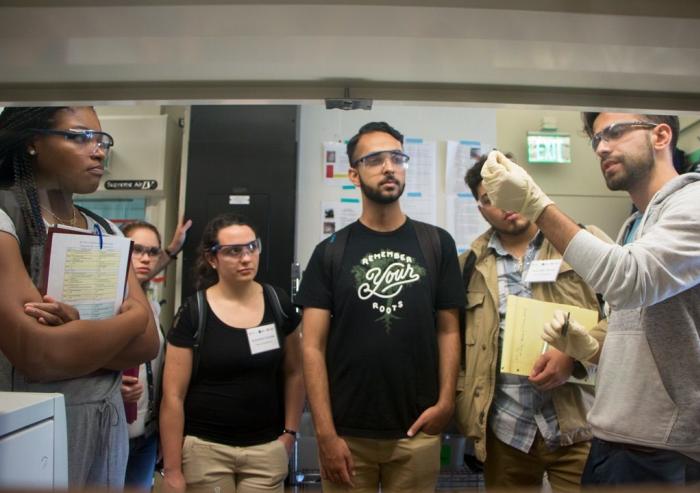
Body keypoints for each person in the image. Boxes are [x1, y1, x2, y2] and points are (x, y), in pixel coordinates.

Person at [480, 113, 700, 485]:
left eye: (615, 132)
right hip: (613, 441)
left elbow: (627, 279)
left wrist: (537, 204)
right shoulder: (635, 224)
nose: (601, 147)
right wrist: (590, 350)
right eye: (596, 138)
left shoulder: (692, 203)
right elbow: (641, 329)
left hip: (663, 450)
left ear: (661, 135)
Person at [296, 122, 465, 493]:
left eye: (396, 157)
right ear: (354, 175)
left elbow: (449, 329)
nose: (389, 167)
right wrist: (324, 433)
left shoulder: (437, 244)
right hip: (347, 435)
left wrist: (445, 403)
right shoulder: (330, 252)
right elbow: (311, 346)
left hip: (417, 430)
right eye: (374, 160)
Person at [0, 106, 158, 488]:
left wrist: (77, 333)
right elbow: (39, 356)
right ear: (34, 141)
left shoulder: (103, 229)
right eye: (78, 136)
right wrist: (131, 320)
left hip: (107, 423)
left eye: (102, 140)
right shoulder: (6, 215)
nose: (99, 151)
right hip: (32, 424)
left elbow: (148, 344)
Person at [455, 154, 608, 492]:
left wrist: (573, 357)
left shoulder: (582, 241)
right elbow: (456, 346)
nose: (503, 204)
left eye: (507, 190)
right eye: (488, 198)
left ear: (526, 187)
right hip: (505, 429)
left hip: (578, 424)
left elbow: (628, 314)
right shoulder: (467, 266)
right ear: (480, 209)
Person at [160, 213, 304, 493]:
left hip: (265, 450)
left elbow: (295, 372)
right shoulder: (194, 311)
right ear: (212, 258)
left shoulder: (279, 303)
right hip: (205, 451)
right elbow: (173, 396)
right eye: (233, 251)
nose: (246, 258)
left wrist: (290, 434)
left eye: (252, 247)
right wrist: (174, 469)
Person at [120, 218, 191, 491]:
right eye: (136, 250)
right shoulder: (105, 300)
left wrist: (172, 250)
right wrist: (111, 388)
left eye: (152, 252)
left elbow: (143, 272)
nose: (146, 259)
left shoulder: (148, 302)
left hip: (146, 436)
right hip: (114, 432)